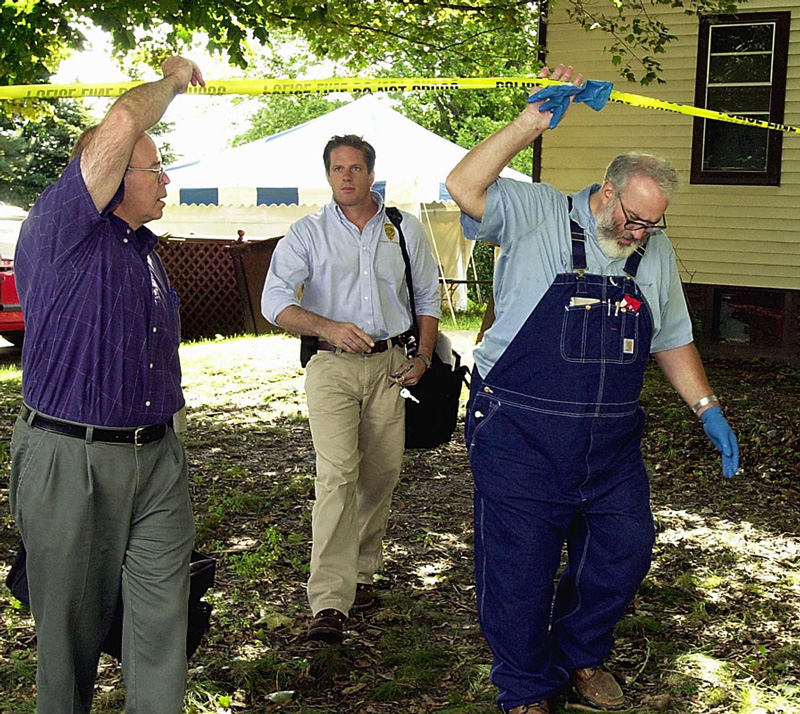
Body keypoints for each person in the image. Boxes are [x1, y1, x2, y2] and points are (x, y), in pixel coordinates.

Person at [446, 64, 739, 714]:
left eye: (653, 226)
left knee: (624, 549)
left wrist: (708, 408)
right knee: (520, 570)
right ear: (606, 193)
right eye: (635, 220)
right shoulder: (535, 211)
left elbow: (670, 336)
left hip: (608, 441)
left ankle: (579, 652)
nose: (641, 235)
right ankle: (523, 685)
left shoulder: (651, 251)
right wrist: (530, 123)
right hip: (518, 429)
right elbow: (463, 185)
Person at [10, 56, 204, 714]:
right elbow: (122, 119)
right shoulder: (62, 229)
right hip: (72, 460)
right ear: (109, 174)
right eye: (152, 167)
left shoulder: (142, 251)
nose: (165, 177)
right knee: (69, 644)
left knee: (162, 631)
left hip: (157, 460)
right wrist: (175, 81)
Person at [261, 134, 440, 644]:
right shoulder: (307, 233)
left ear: (371, 174)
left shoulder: (402, 230)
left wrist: (423, 356)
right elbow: (274, 302)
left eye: (356, 168)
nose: (347, 177)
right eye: (338, 168)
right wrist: (326, 326)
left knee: (381, 474)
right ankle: (329, 602)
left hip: (391, 364)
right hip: (331, 366)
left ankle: (360, 572)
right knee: (337, 476)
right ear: (327, 175)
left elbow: (427, 296)